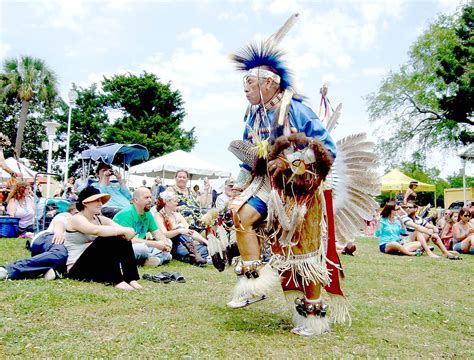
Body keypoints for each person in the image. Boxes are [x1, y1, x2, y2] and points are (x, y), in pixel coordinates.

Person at [225, 27, 344, 337]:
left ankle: (314, 319)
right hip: (267, 183)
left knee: (304, 253)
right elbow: (247, 157)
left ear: (269, 83)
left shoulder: (297, 110)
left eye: (249, 82)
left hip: (299, 189)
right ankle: (255, 284)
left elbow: (327, 148)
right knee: (240, 214)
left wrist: (297, 163)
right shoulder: (253, 116)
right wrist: (241, 181)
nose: (245, 88)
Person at [64, 186, 141, 290]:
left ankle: (131, 278)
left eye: (100, 200)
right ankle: (116, 280)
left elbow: (125, 232)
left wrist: (126, 231)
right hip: (77, 268)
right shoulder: (77, 219)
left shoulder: (100, 219)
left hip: (96, 266)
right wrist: (123, 231)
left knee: (120, 238)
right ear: (85, 203)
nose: (100, 203)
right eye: (96, 200)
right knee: (107, 236)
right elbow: (96, 230)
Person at [0, 203, 78, 280]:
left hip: (56, 248)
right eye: (76, 213)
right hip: (48, 237)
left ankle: (51, 270)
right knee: (60, 253)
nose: (77, 216)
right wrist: (59, 232)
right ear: (70, 212)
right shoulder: (67, 216)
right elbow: (59, 222)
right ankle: (8, 270)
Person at [113, 187, 172, 267]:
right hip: (121, 247)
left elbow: (157, 233)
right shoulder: (126, 214)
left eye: (150, 197)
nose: (150, 200)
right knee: (142, 249)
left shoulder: (148, 214)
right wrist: (155, 244)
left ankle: (152, 259)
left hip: (141, 244)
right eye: (146, 197)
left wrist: (165, 243)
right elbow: (129, 241)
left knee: (168, 241)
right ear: (136, 200)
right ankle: (157, 257)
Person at [154, 189, 208, 266]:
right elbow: (164, 234)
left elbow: (190, 231)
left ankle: (190, 257)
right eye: (175, 201)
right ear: (167, 202)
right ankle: (193, 255)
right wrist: (180, 231)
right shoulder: (158, 215)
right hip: (169, 246)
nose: (177, 203)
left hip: (182, 246)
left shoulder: (177, 215)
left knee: (205, 247)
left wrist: (206, 242)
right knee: (180, 232)